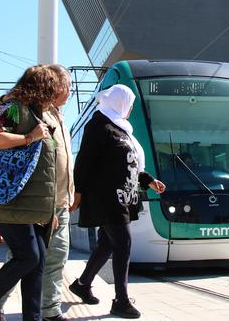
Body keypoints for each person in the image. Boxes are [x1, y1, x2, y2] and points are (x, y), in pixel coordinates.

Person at [68, 84, 166, 319]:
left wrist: (149, 180)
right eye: (129, 104)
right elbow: (84, 161)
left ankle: (82, 284)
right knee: (123, 243)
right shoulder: (99, 125)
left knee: (107, 244)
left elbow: (128, 164)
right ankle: (121, 301)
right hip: (107, 197)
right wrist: (78, 192)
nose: (130, 109)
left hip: (123, 195)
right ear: (119, 102)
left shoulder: (121, 128)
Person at [0, 65, 58, 321]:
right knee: (27, 256)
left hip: (28, 206)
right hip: (7, 198)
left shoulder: (33, 112)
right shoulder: (15, 108)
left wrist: (48, 210)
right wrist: (30, 137)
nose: (53, 97)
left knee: (37, 261)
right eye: (51, 90)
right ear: (42, 88)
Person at [0, 64, 75, 321]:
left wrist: (73, 191)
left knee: (53, 258)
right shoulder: (29, 110)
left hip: (60, 198)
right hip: (40, 201)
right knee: (26, 258)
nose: (70, 92)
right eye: (67, 87)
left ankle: (48, 310)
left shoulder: (58, 115)